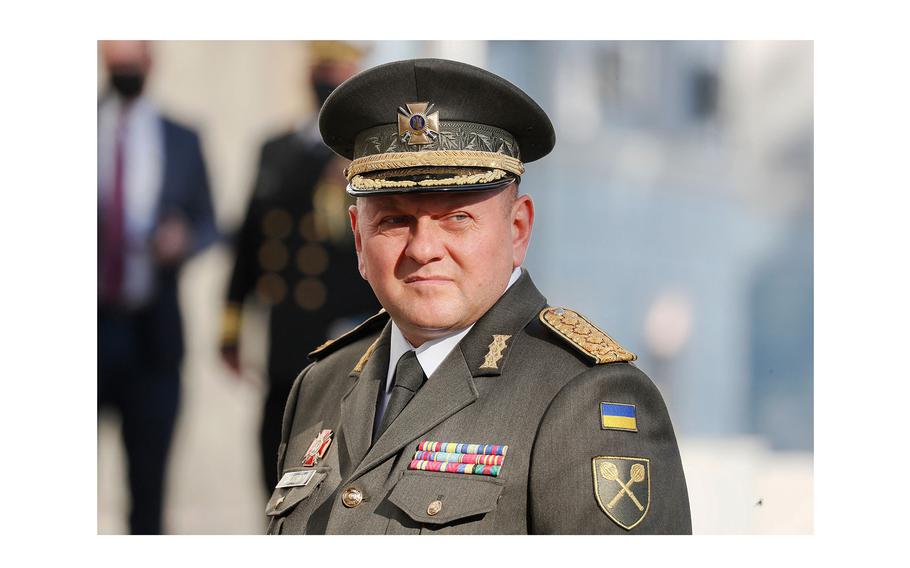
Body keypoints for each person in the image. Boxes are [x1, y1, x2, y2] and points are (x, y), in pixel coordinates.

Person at [266, 58, 691, 534]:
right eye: (393, 220)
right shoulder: (319, 384)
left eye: (457, 218)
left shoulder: (585, 397)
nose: (423, 249)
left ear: (518, 229)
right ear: (359, 241)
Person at [220, 41, 380, 494]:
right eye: (323, 68)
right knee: (275, 449)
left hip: (347, 325)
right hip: (286, 330)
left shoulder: (367, 152)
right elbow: (250, 241)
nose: (329, 79)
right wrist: (230, 327)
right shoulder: (278, 149)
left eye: (341, 69)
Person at [98, 40, 218, 534]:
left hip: (154, 332)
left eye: (134, 56)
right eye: (115, 55)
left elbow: (209, 221)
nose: (125, 66)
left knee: (148, 489)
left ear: (151, 60)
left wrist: (183, 239)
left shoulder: (180, 137)